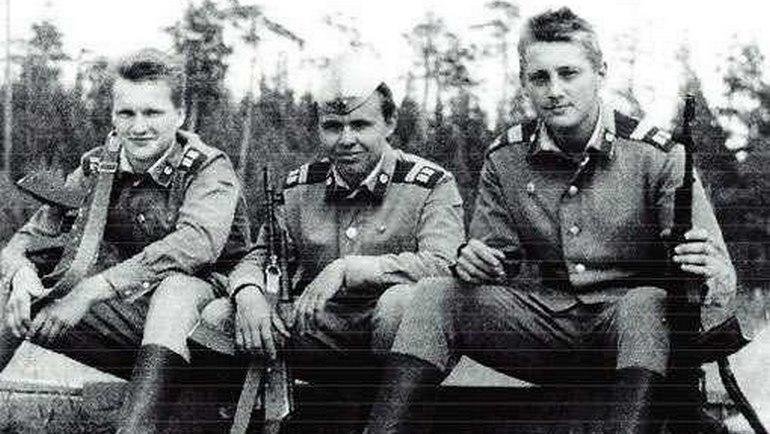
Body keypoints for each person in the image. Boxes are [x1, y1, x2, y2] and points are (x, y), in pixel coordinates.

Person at [365, 7, 737, 434]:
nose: (555, 91)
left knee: (645, 303)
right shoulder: (506, 157)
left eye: (569, 73)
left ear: (600, 72)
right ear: (524, 82)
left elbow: (718, 276)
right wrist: (475, 261)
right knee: (437, 295)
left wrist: (711, 273)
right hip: (545, 327)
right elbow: (495, 259)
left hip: (632, 340)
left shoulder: (659, 155)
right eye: (540, 78)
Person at [0, 48, 251, 432]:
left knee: (175, 291)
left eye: (152, 113)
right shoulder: (98, 166)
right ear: (113, 116)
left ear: (180, 115)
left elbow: (197, 243)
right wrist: (21, 276)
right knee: (8, 289)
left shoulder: (207, 168)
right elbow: (31, 238)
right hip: (134, 317)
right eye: (126, 114)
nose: (138, 127)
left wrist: (90, 291)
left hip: (212, 330)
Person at [210, 52, 464, 429]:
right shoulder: (299, 186)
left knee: (400, 304)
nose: (346, 140)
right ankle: (229, 419)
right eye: (333, 126)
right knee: (219, 316)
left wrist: (350, 269)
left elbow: (444, 265)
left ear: (390, 123)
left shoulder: (429, 184)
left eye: (360, 125)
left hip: (401, 338)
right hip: (319, 327)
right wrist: (247, 292)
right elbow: (262, 255)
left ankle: (390, 423)